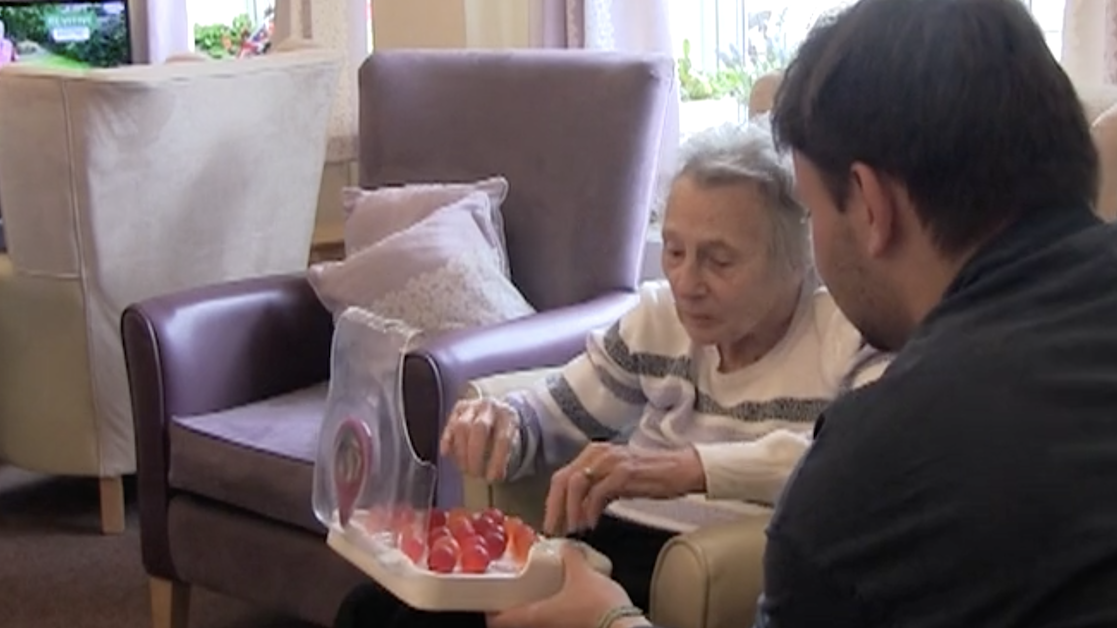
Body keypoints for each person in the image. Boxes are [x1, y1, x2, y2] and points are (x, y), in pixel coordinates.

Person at [404, 0, 1117, 627]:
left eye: (813, 209)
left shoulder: (875, 461)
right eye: (674, 252)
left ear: (870, 208)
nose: (689, 280)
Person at [334, 117, 888, 627]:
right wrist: (503, 419)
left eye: (719, 261)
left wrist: (685, 468)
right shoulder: (658, 320)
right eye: (673, 251)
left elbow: (852, 464)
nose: (687, 283)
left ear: (797, 257)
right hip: (606, 542)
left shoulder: (847, 335)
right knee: (373, 612)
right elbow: (557, 411)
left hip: (705, 563)